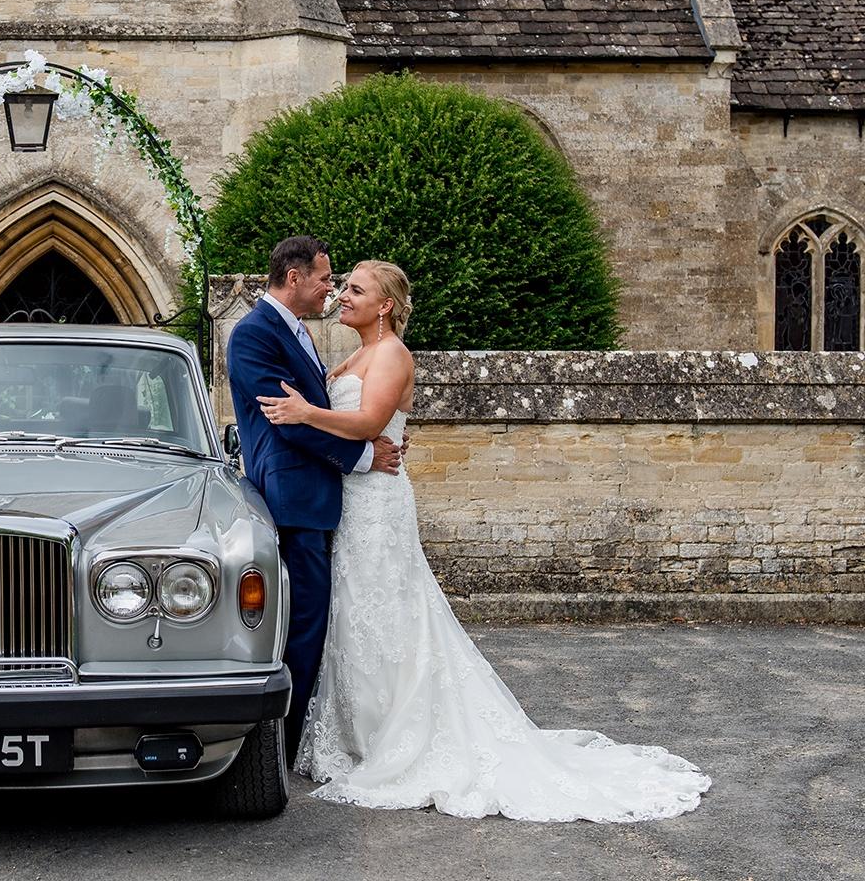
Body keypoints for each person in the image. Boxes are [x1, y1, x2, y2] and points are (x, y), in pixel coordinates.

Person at [257, 259, 712, 821]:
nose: (343, 296)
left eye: (355, 289)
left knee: (389, 614)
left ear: (386, 307)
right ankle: (359, 733)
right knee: (354, 615)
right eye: (343, 285)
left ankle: (397, 739)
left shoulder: (394, 355)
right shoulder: (354, 353)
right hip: (352, 502)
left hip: (376, 506)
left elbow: (371, 423)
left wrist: (306, 411)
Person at [226, 236, 403, 762]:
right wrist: (364, 457)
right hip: (294, 494)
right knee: (303, 623)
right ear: (296, 277)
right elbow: (288, 421)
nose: (333, 289)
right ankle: (280, 748)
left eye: (344, 284)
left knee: (314, 620)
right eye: (327, 279)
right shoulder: (254, 334)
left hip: (321, 494)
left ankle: (300, 735)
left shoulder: (300, 330)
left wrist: (380, 432)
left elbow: (333, 411)